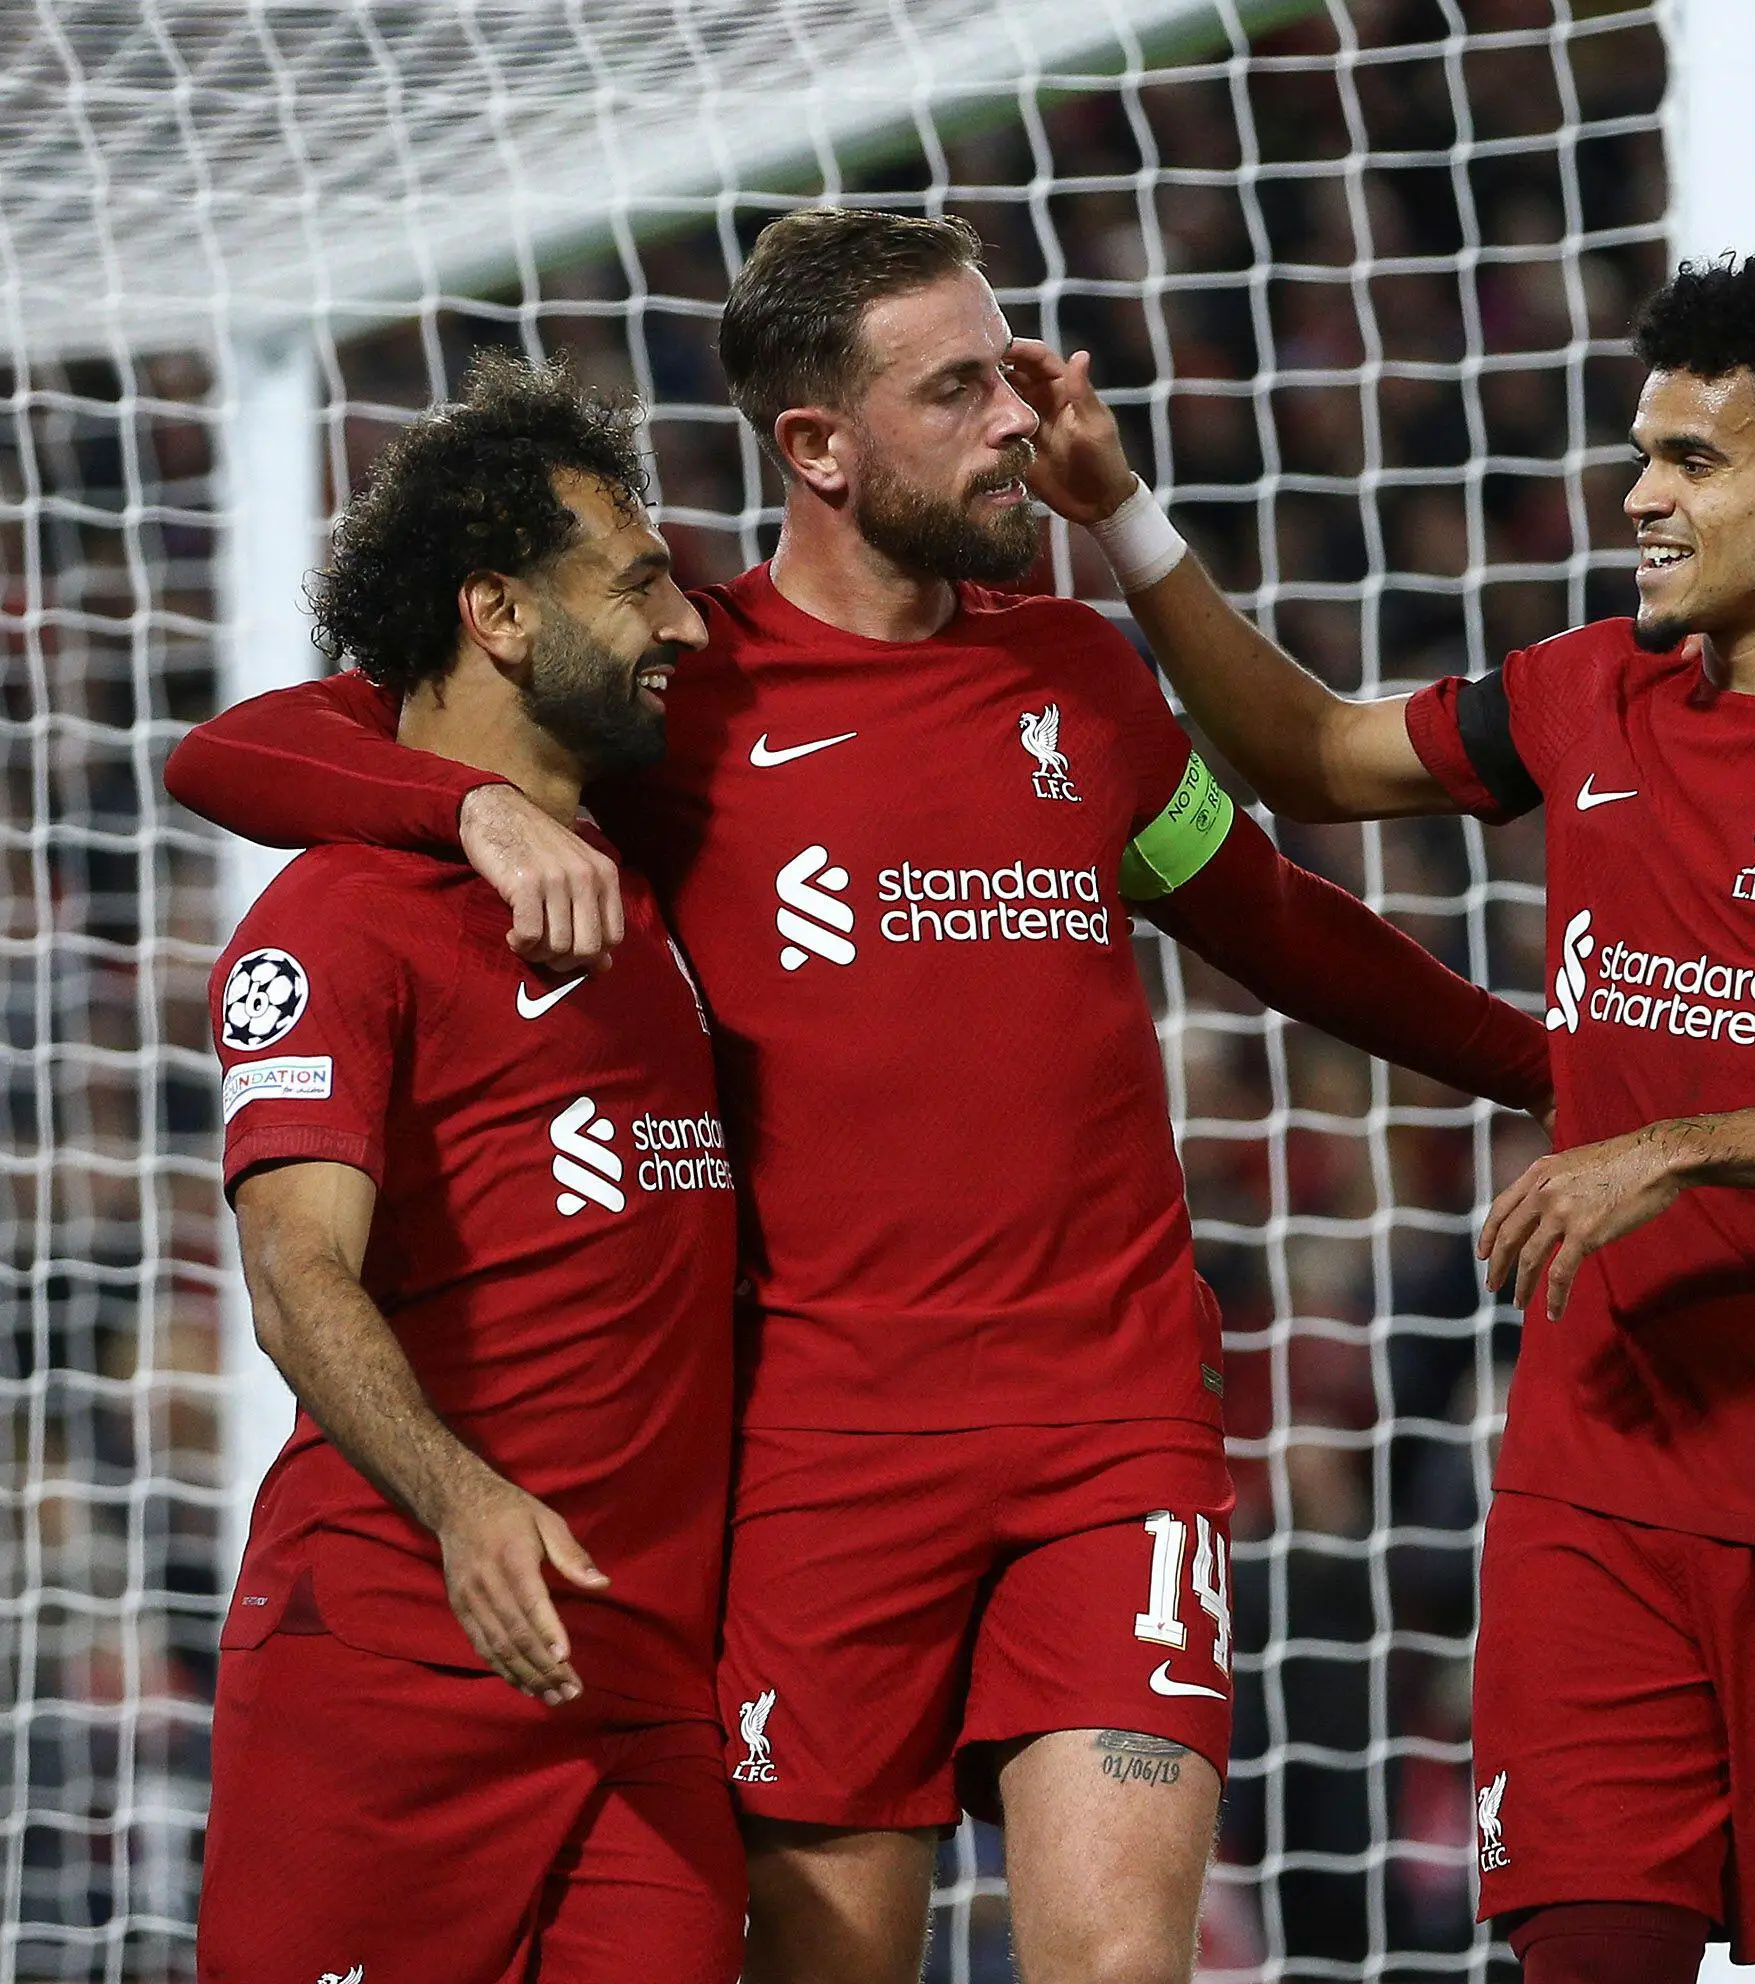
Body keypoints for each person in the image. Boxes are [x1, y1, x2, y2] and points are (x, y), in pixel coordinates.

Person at [165, 209, 1554, 1984]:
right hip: (820, 1466)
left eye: (1009, 369)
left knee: (1123, 1963)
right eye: (960, 386)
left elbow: (1269, 918)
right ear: (815, 444)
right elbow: (237, 751)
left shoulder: (1079, 683)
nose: (1018, 421)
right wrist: (470, 812)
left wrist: (1550, 1068)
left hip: (1105, 1431)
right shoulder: (682, 694)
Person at [1005, 243, 1755, 1981]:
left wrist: (1686, 1142)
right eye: (1637, 455)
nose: (1639, 497)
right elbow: (1309, 756)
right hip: (1595, 1495)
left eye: (1690, 462)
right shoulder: (1590, 685)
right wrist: (1128, 518)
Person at [197, 358, 738, 1980]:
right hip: (390, 1676)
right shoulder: (336, 920)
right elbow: (297, 1271)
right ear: (500, 614)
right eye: (639, 584)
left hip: (646, 1695)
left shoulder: (652, 876)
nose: (688, 628)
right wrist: (463, 1499)